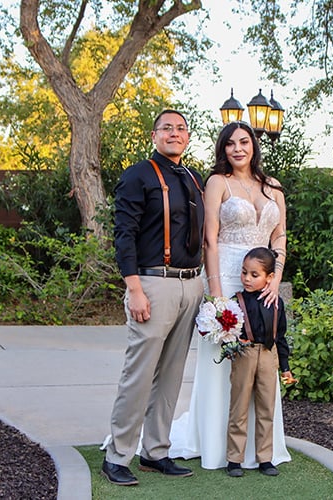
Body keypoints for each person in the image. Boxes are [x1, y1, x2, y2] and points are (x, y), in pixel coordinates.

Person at [168, 120, 291, 470]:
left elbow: (279, 237)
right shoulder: (217, 183)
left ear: (253, 146)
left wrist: (275, 277)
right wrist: (218, 295)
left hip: (265, 279)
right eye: (230, 144)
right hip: (226, 276)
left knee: (262, 361)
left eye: (244, 142)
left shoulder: (273, 187)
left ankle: (261, 449)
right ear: (223, 149)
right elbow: (210, 238)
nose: (238, 148)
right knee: (222, 365)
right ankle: (217, 446)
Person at [102, 109, 205, 486]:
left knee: (172, 374)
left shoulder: (194, 177)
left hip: (192, 284)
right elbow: (124, 233)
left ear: (188, 136)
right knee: (139, 374)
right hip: (152, 283)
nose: (174, 134)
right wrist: (134, 288)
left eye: (180, 128)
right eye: (167, 128)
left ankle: (155, 451)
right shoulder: (138, 175)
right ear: (154, 135)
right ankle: (117, 456)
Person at [226, 247, 293, 477]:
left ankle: (265, 458)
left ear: (269, 277)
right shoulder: (237, 300)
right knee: (239, 407)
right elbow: (227, 331)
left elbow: (281, 336)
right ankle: (234, 459)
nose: (247, 278)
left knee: (266, 408)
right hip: (244, 355)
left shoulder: (276, 303)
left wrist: (285, 367)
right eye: (244, 273)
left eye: (254, 275)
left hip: (268, 356)